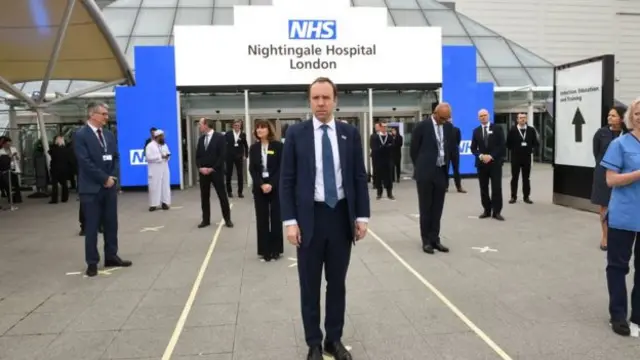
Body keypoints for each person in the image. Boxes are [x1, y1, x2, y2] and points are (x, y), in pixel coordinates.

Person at [280, 77, 370, 360]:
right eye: (316, 98)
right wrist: (290, 221)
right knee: (309, 284)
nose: (321, 103)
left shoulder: (349, 133)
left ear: (335, 100)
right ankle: (314, 343)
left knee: (337, 284)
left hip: (340, 217)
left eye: (326, 98)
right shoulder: (296, 133)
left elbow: (358, 176)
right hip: (309, 219)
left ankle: (334, 339)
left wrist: (362, 216)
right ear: (309, 101)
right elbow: (287, 180)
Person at [73, 102, 131, 277]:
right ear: (92, 115)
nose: (107, 117)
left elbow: (115, 157)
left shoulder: (108, 134)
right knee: (91, 227)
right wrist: (103, 178)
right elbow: (84, 161)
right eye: (104, 114)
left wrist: (112, 177)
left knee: (111, 223)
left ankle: (111, 255)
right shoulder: (80, 135)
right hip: (91, 189)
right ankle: (92, 262)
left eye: (107, 114)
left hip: (109, 187)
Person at [599, 97, 640, 337]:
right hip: (624, 214)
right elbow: (611, 180)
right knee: (618, 267)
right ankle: (617, 314)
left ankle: (638, 314)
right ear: (631, 117)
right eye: (637, 113)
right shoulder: (620, 144)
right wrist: (637, 174)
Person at [410, 103, 453, 254]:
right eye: (442, 118)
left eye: (447, 118)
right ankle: (426, 241)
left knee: (437, 208)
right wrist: (422, 166)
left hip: (441, 171)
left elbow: (449, 148)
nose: (444, 121)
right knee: (426, 208)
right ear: (435, 113)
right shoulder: (422, 126)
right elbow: (414, 150)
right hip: (426, 173)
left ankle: (435, 239)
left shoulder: (447, 127)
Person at [591, 106, 627, 251]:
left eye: (613, 115)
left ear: (622, 118)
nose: (609, 118)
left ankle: (620, 237)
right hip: (603, 175)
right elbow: (596, 153)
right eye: (608, 115)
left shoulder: (629, 134)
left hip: (623, 175)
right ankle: (605, 236)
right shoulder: (601, 133)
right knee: (604, 206)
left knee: (622, 206)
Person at [249, 119, 283, 262]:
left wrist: (272, 184)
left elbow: (282, 167)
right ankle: (264, 251)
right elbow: (252, 168)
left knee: (275, 219)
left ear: (269, 130)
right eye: (257, 128)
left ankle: (276, 250)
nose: (259, 130)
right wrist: (261, 184)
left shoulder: (278, 146)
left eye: (262, 128)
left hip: (275, 187)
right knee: (262, 219)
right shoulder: (254, 148)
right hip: (260, 187)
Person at [196, 117, 233, 228]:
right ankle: (205, 220)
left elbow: (222, 155)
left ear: (206, 125)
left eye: (200, 124)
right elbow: (197, 156)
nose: (199, 126)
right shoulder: (201, 139)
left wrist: (212, 168)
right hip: (203, 173)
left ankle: (227, 219)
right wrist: (200, 167)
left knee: (222, 196)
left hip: (216, 172)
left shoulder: (220, 137)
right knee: (204, 197)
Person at [470, 109, 506, 221]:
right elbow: (473, 148)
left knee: (496, 188)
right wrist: (481, 156)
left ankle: (497, 212)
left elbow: (501, 145)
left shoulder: (497, 128)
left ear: (488, 116)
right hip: (481, 164)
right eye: (481, 116)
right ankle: (486, 210)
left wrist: (491, 156)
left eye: (485, 115)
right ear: (478, 118)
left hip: (495, 163)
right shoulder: (476, 131)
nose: (483, 117)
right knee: (483, 188)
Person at [506, 113, 539, 204]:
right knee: (514, 178)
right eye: (520, 118)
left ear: (526, 119)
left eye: (524, 118)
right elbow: (508, 144)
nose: (522, 119)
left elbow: (535, 143)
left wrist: (530, 149)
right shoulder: (512, 130)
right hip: (515, 157)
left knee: (526, 178)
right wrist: (516, 149)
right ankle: (513, 197)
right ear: (517, 119)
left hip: (527, 157)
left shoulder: (531, 130)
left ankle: (526, 197)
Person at [145, 129, 171, 211]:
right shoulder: (150, 146)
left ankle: (165, 203)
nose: (163, 138)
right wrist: (160, 157)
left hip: (164, 168)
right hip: (155, 169)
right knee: (155, 186)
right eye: (162, 136)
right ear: (158, 137)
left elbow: (168, 153)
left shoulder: (164, 145)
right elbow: (148, 158)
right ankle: (153, 204)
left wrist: (167, 156)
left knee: (165, 186)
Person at [370, 120, 395, 200]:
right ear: (380, 127)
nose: (384, 128)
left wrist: (383, 147)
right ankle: (379, 193)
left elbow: (392, 147)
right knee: (379, 177)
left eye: (386, 127)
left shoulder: (390, 136)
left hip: (388, 160)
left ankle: (389, 193)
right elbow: (374, 148)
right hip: (378, 160)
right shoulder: (374, 137)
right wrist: (384, 147)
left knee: (389, 177)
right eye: (383, 127)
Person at [225, 120, 249, 198]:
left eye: (238, 125)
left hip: (239, 156)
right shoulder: (228, 134)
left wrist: (246, 155)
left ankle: (240, 192)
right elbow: (223, 144)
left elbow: (246, 145)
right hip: (229, 156)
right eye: (235, 125)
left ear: (240, 126)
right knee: (229, 174)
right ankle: (229, 191)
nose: (237, 126)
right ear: (233, 126)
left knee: (240, 174)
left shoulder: (243, 134)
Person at [48, 135, 71, 204]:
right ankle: (65, 198)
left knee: (55, 185)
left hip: (55, 168)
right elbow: (68, 160)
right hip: (64, 168)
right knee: (64, 184)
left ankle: (54, 199)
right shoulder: (66, 149)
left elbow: (49, 152)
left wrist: (54, 144)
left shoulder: (54, 149)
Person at [446, 117, 466, 193]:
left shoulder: (457, 129)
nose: (449, 121)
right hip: (446, 152)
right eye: (448, 120)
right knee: (445, 170)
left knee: (456, 170)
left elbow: (458, 141)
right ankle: (445, 187)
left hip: (455, 152)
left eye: (450, 120)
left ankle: (459, 187)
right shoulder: (443, 130)